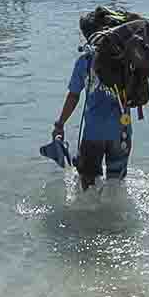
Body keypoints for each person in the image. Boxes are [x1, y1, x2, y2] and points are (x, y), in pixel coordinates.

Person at [52, 38, 132, 192]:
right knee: (116, 185)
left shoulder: (85, 61)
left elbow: (73, 96)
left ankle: (88, 214)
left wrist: (60, 124)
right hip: (122, 132)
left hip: (93, 134)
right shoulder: (127, 61)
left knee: (87, 186)